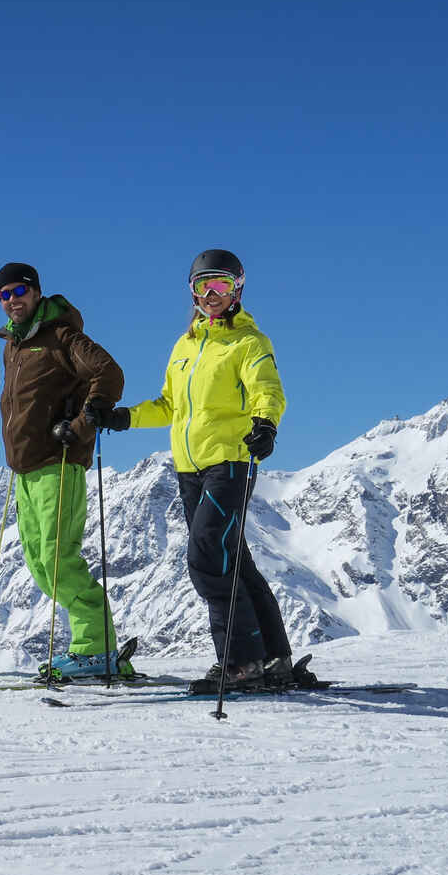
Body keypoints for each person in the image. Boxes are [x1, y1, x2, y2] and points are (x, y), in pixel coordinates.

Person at [90, 248, 299, 686]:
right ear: (192, 291)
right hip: (190, 468)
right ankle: (274, 656)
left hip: (231, 461)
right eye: (203, 285)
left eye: (221, 284)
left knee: (207, 559)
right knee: (232, 558)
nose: (211, 294)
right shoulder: (185, 345)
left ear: (238, 289)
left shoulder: (249, 343)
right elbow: (169, 405)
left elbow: (268, 390)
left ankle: (240, 662)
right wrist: (124, 417)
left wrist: (266, 425)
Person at [0, 262, 133, 681]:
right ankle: (97, 648)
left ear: (35, 293)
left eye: (19, 291)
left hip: (60, 461)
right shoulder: (12, 345)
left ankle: (95, 648)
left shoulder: (62, 336)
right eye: (4, 295)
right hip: (25, 469)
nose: (12, 300)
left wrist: (82, 424)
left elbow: (108, 373)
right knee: (38, 562)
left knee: (57, 559)